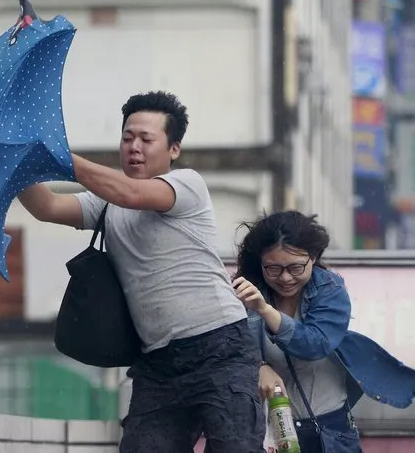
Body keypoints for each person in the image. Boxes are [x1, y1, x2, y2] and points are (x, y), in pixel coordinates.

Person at [18, 91, 265, 452]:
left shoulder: (187, 185)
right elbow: (48, 206)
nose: (134, 147)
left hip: (220, 349)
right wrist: (14, 164)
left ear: (173, 149)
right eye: (127, 137)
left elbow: (133, 194)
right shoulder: (106, 203)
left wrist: (59, 156)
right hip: (157, 362)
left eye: (146, 139)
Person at [231, 210, 415, 452]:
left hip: (330, 431)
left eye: (295, 267)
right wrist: (258, 366)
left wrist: (264, 310)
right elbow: (227, 350)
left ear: (313, 257)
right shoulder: (244, 292)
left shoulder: (329, 289)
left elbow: (315, 344)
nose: (285, 278)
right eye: (273, 268)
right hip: (269, 434)